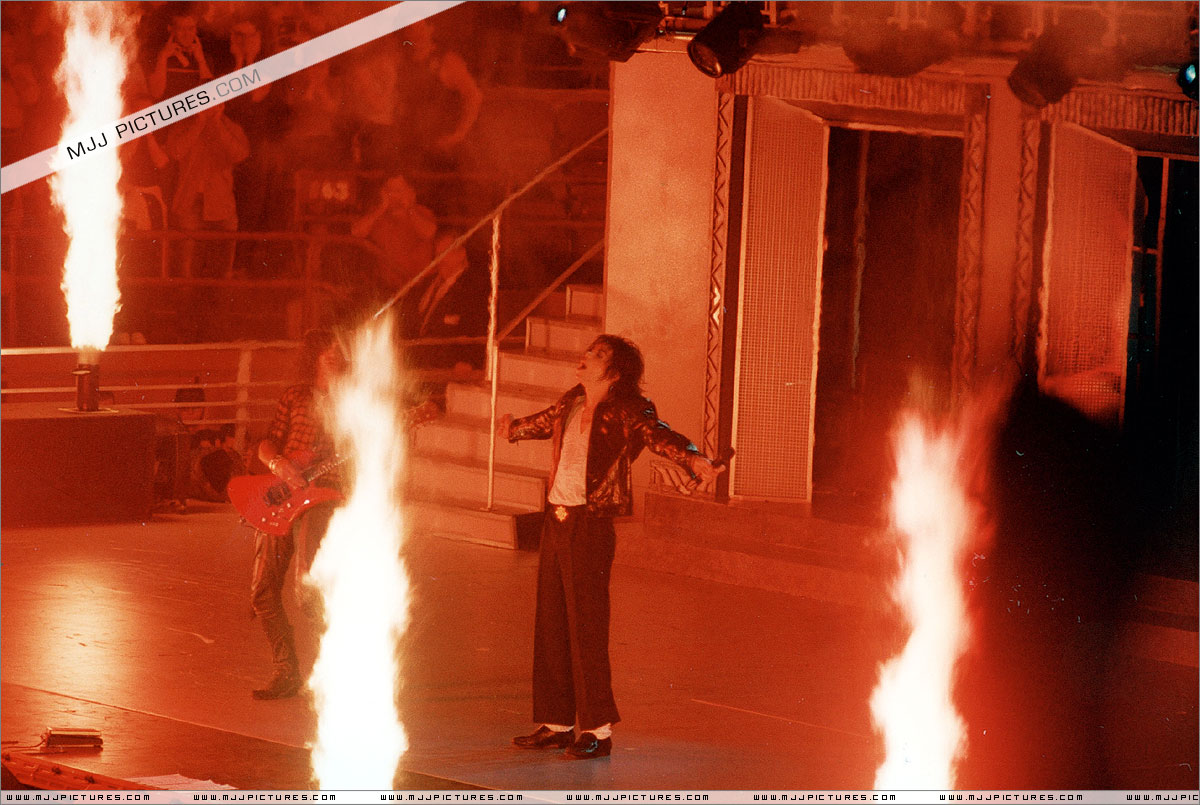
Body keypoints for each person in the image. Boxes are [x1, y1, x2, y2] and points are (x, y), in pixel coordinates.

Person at [497, 335, 725, 759]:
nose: (586, 356)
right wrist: (513, 429)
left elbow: (660, 436)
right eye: (589, 350)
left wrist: (693, 458)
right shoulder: (571, 400)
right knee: (552, 622)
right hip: (556, 520)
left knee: (586, 626)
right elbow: (545, 422)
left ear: (615, 372)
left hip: (591, 524)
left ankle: (597, 731)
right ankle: (557, 723)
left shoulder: (629, 409)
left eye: (598, 354)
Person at [249, 329, 345, 700]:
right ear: (315, 354)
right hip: (283, 496)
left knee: (309, 593)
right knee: (262, 591)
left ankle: (342, 665)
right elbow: (267, 441)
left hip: (322, 497)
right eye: (327, 348)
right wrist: (279, 464)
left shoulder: (352, 401)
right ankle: (286, 670)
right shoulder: (295, 396)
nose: (334, 353)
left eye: (338, 349)